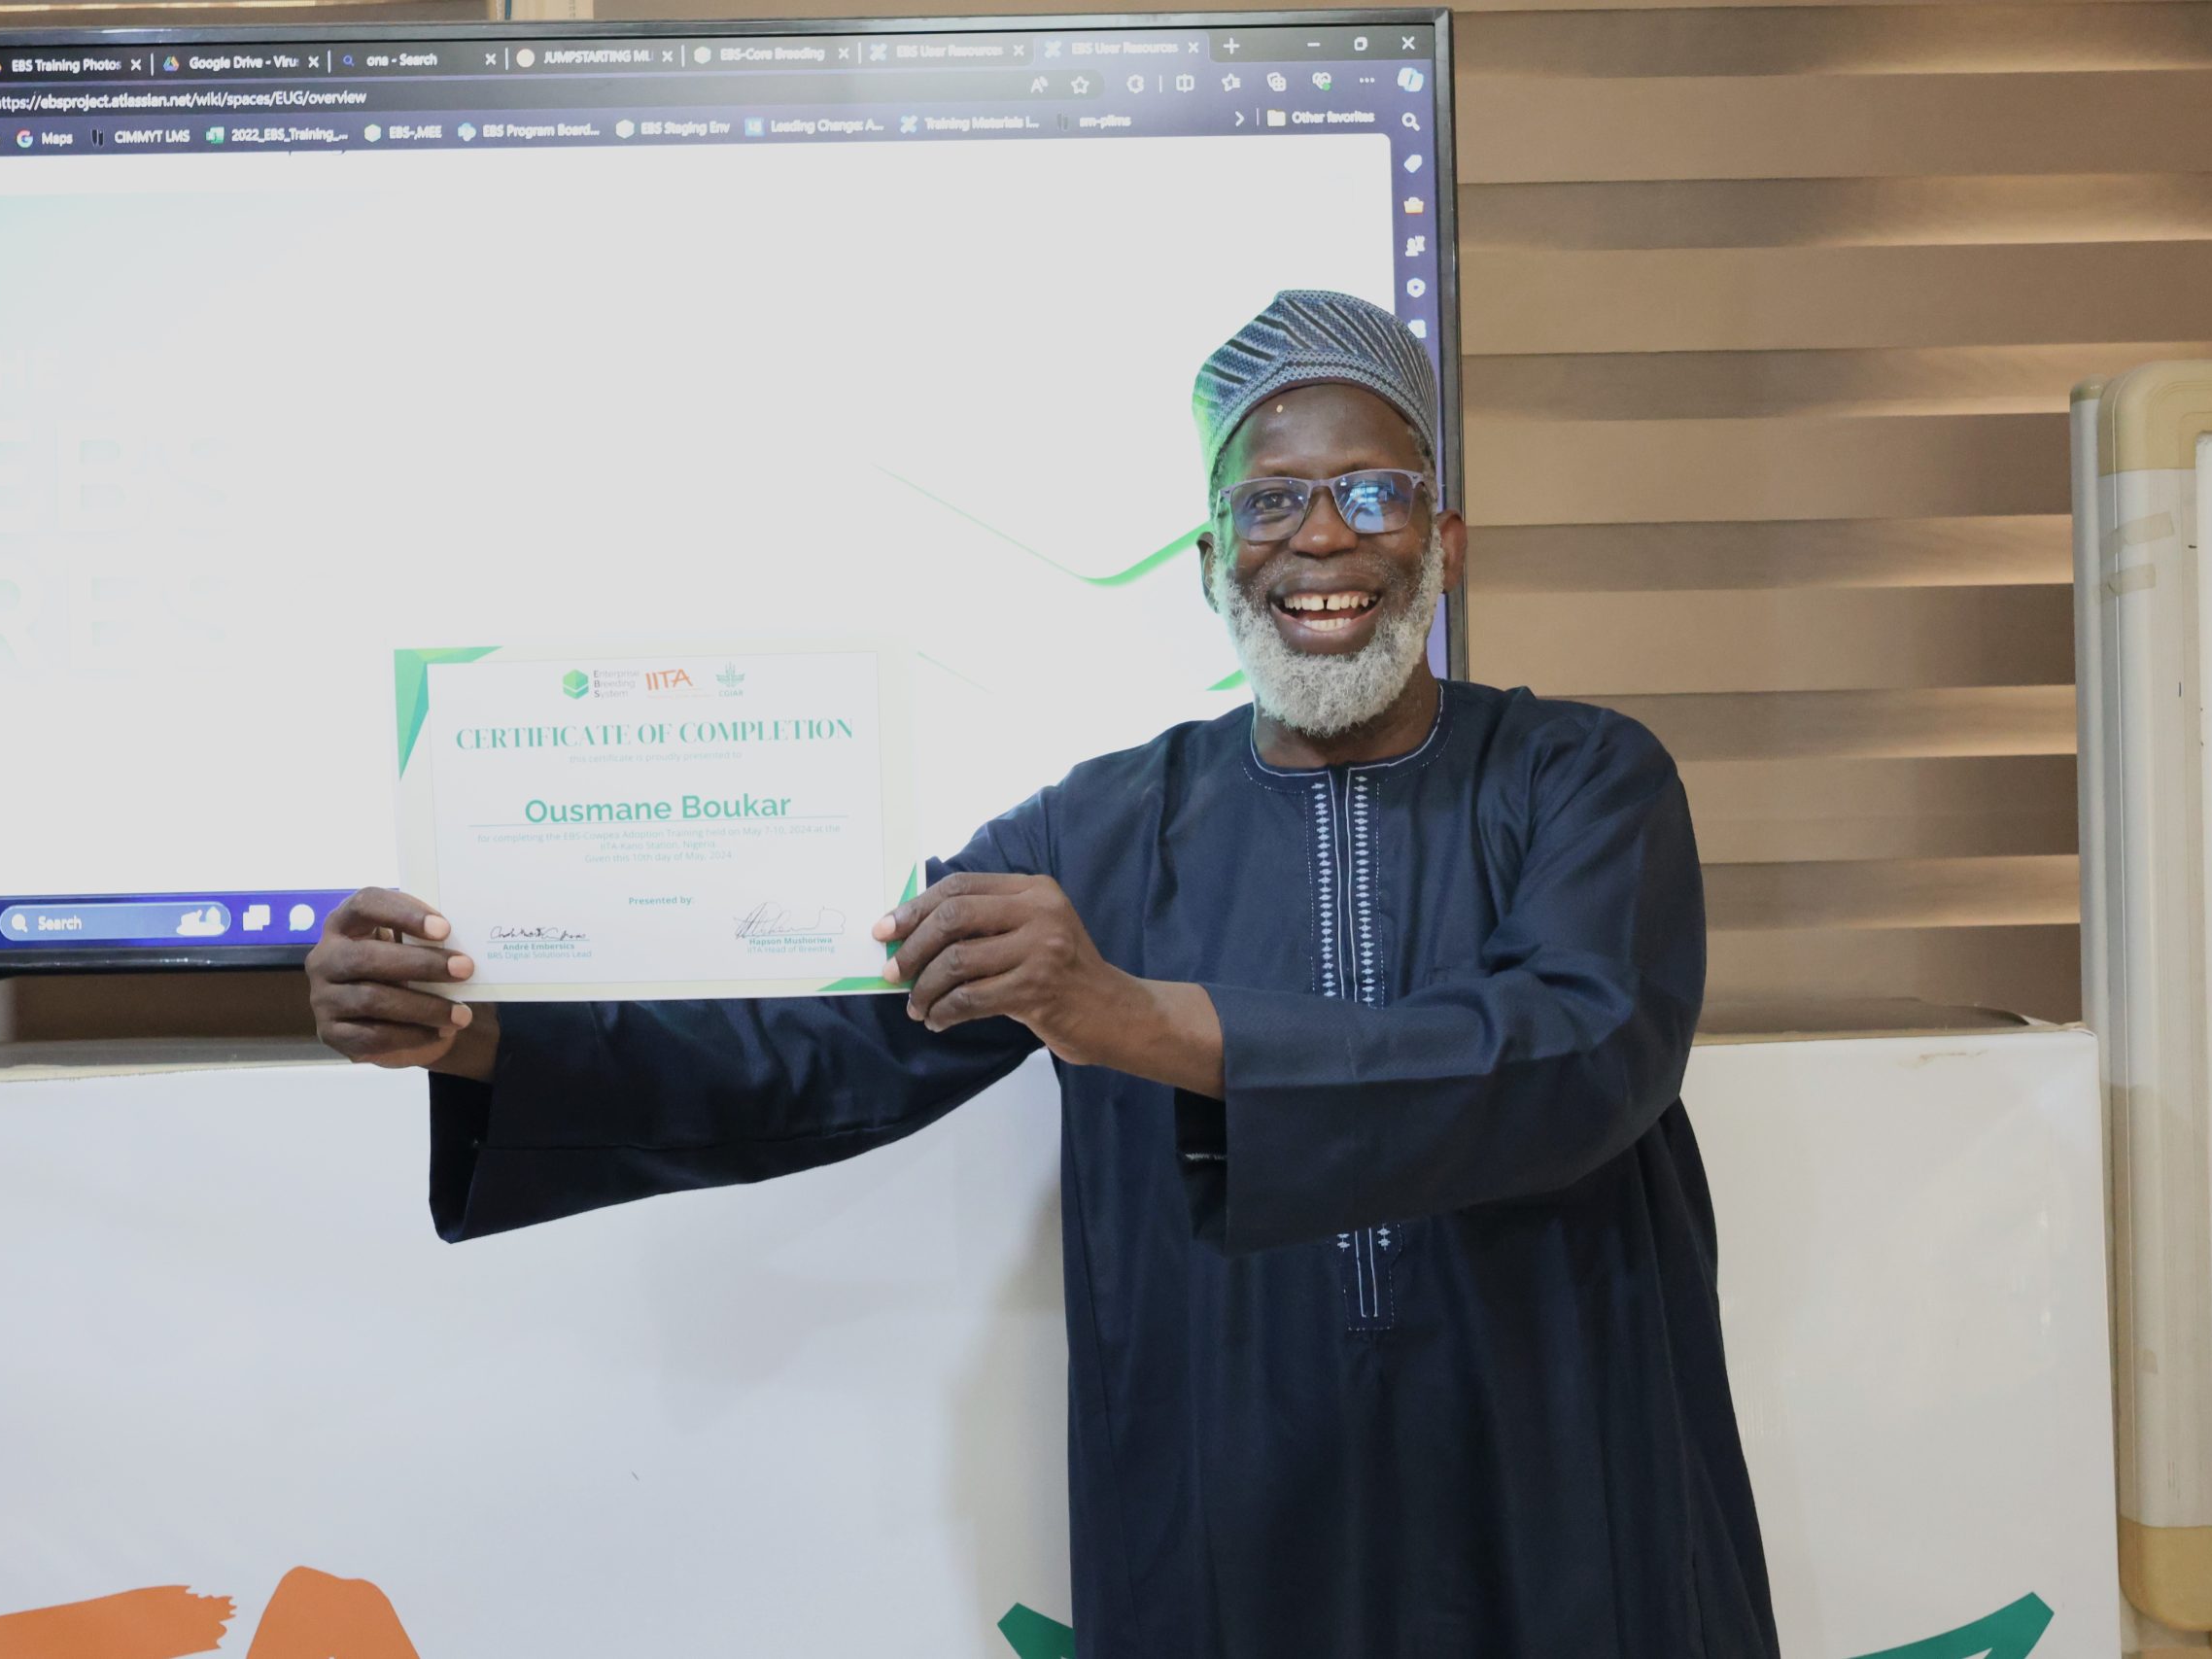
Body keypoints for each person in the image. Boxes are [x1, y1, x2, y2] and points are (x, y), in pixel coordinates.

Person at [308, 289, 1779, 1658]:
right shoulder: (1098, 826)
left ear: (1443, 542)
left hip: (1556, 1455)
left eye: (1372, 492)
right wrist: (483, 1035)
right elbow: (834, 1046)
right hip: (1231, 1483)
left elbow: (1577, 1048)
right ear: (1212, 562)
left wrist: (1136, 1020)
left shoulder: (1586, 777)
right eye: (1268, 501)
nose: (1319, 539)